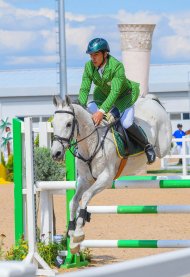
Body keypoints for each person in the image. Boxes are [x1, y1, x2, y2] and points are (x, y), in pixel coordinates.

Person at [78, 37, 156, 164]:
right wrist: (80, 107)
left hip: (124, 96)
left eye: (96, 55)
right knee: (87, 111)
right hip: (102, 96)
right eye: (91, 55)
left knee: (126, 123)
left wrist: (101, 111)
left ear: (105, 54)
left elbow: (115, 92)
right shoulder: (89, 66)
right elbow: (84, 89)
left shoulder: (117, 67)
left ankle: (147, 146)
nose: (93, 58)